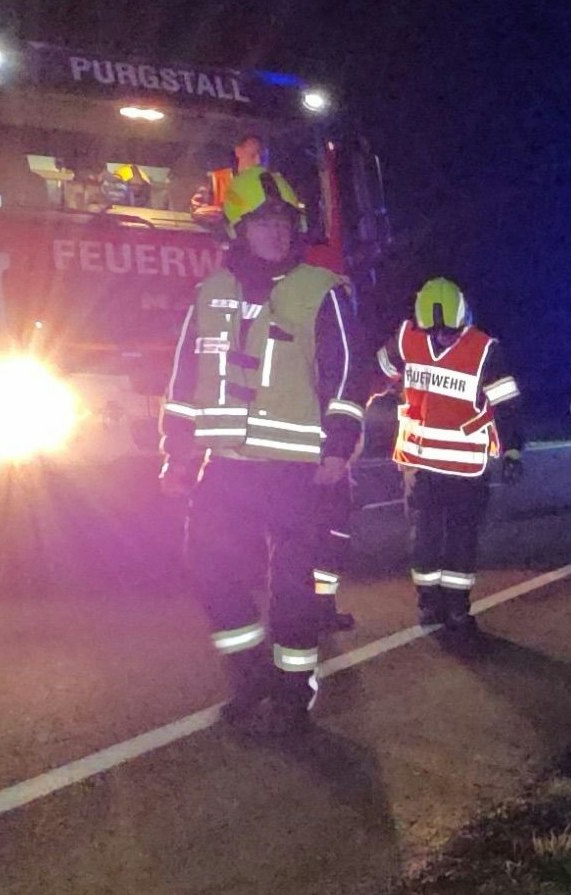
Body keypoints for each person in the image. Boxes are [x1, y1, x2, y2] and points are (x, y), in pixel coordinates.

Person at [158, 166, 368, 730]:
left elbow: (347, 374)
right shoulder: (209, 294)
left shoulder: (321, 290)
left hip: (297, 470)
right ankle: (251, 675)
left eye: (284, 221)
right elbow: (185, 378)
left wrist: (338, 446)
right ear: (237, 229)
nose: (277, 231)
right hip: (227, 468)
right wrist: (177, 452)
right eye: (262, 222)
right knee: (208, 567)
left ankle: (294, 694)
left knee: (294, 588)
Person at [377, 276, 524, 634]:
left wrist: (513, 449)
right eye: (437, 332)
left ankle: (456, 608)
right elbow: (376, 374)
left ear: (465, 318)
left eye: (452, 331)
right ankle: (429, 603)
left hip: (464, 467)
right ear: (422, 324)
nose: (445, 337)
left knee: (460, 539)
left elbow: (507, 405)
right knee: (424, 539)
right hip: (421, 465)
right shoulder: (407, 338)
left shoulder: (485, 350)